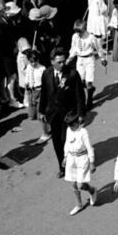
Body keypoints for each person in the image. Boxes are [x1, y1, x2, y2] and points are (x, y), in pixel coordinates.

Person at [39, 48, 86, 177]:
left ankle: (73, 165)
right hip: (53, 115)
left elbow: (79, 95)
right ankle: (62, 167)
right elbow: (44, 93)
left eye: (63, 61)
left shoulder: (72, 74)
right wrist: (41, 111)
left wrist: (81, 114)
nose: (62, 64)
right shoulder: (46, 74)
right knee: (57, 143)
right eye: (59, 62)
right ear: (52, 61)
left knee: (68, 141)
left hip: (69, 115)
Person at [63, 111, 96, 215]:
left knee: (80, 185)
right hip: (72, 159)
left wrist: (92, 162)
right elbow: (67, 144)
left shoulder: (83, 132)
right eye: (70, 125)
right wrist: (65, 157)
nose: (72, 127)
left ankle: (92, 190)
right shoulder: (68, 130)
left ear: (77, 122)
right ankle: (79, 204)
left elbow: (89, 147)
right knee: (73, 183)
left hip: (82, 159)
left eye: (74, 124)